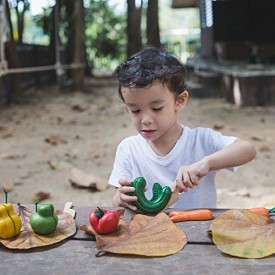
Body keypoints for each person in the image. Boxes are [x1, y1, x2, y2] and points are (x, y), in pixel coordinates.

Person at [108, 46, 256, 211]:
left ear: (180, 101)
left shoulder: (201, 140)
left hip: (197, 232)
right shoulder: (128, 149)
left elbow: (248, 149)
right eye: (134, 110)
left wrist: (206, 163)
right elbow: (116, 200)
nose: (146, 120)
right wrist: (121, 198)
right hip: (146, 233)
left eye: (156, 108)